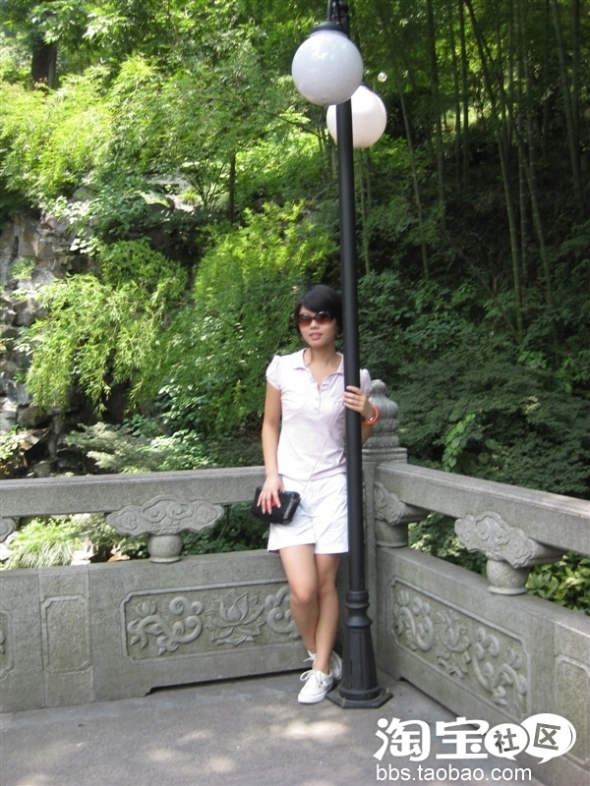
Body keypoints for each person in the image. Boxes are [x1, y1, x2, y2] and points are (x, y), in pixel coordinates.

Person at [258, 285, 379, 704]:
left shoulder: (355, 374)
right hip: (289, 491)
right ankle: (317, 651)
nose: (313, 326)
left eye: (322, 317)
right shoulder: (283, 368)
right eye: (305, 319)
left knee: (327, 584)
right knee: (303, 590)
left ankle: (322, 670)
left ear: (337, 323)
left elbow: (356, 441)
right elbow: (269, 424)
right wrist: (272, 476)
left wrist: (369, 414)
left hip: (333, 489)